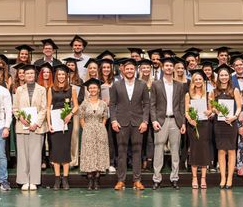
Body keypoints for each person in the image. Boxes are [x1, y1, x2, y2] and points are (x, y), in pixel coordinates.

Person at [109, 59, 151, 190]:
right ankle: (121, 180)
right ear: (123, 70)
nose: (129, 71)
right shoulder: (116, 85)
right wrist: (113, 120)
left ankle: (137, 180)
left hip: (138, 123)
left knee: (137, 152)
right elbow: (112, 104)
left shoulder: (142, 84)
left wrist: (145, 121)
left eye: (131, 69)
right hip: (121, 123)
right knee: (121, 152)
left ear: (135, 70)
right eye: (127, 69)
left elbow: (147, 104)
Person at [150, 57, 186, 189]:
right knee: (158, 149)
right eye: (167, 65)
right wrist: (154, 120)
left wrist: (183, 123)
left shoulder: (179, 85)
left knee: (175, 149)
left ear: (173, 68)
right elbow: (152, 105)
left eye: (171, 65)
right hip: (161, 120)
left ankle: (174, 178)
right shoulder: (156, 84)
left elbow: (182, 105)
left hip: (175, 120)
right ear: (163, 67)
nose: (169, 67)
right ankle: (156, 179)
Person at [13, 64, 47, 190]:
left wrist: (36, 123)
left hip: (37, 127)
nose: (29, 75)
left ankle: (33, 181)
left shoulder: (42, 90)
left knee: (35, 154)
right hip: (22, 126)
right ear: (23, 75)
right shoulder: (19, 90)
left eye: (32, 73)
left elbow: (44, 109)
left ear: (35, 75)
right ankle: (23, 180)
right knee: (22, 154)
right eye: (27, 73)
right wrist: (20, 117)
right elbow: (15, 108)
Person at [46, 65, 79, 189]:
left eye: (63, 74)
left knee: (65, 149)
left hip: (66, 122)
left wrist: (70, 114)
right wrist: (49, 123)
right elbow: (48, 107)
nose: (61, 76)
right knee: (55, 150)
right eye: (59, 74)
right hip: (55, 122)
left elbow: (76, 106)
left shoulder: (72, 89)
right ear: (56, 76)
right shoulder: (51, 89)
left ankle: (65, 179)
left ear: (66, 76)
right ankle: (56, 179)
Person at [210, 64, 242, 189]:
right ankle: (223, 177)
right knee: (221, 150)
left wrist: (235, 116)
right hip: (219, 124)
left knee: (231, 150)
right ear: (218, 77)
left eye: (226, 75)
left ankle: (230, 178)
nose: (224, 77)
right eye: (221, 75)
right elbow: (211, 107)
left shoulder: (234, 90)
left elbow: (239, 107)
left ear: (229, 76)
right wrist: (215, 110)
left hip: (231, 123)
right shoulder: (213, 91)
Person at [79, 78, 111, 189]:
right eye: (91, 88)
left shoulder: (103, 104)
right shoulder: (84, 103)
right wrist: (85, 127)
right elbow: (81, 117)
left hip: (100, 130)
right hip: (88, 130)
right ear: (88, 90)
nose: (93, 89)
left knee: (99, 153)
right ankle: (89, 180)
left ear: (98, 90)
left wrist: (101, 126)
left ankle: (97, 179)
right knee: (89, 153)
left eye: (95, 88)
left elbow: (105, 117)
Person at [184, 69, 211, 188]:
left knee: (204, 150)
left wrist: (209, 112)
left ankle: (203, 178)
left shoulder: (208, 94)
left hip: (205, 125)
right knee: (194, 150)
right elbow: (186, 111)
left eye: (200, 79)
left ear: (203, 81)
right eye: (196, 79)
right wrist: (190, 120)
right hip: (193, 125)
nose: (198, 81)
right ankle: (194, 177)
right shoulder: (188, 95)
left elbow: (211, 109)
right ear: (193, 82)